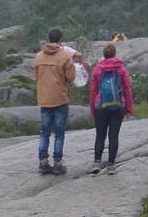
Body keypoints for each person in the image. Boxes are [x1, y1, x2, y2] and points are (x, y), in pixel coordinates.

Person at [34, 28, 78, 175]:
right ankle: (58, 164)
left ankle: (43, 163)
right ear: (61, 39)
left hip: (44, 99)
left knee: (44, 132)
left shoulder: (39, 56)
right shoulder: (64, 56)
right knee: (59, 133)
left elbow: (36, 77)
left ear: (49, 39)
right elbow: (71, 78)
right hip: (60, 99)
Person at [87, 42, 134, 174]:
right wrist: (129, 108)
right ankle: (111, 166)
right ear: (114, 54)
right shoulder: (121, 69)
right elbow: (127, 89)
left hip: (100, 105)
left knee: (100, 135)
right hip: (118, 105)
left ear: (104, 54)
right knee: (113, 136)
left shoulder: (98, 69)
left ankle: (97, 162)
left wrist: (92, 108)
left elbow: (93, 90)